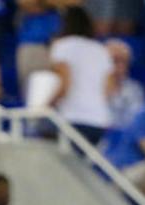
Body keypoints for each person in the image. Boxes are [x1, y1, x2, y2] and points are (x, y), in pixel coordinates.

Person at [46, 5, 114, 145]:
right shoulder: (101, 50)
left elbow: (65, 85)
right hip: (99, 120)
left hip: (73, 119)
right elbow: (109, 89)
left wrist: (45, 106)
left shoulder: (62, 46)